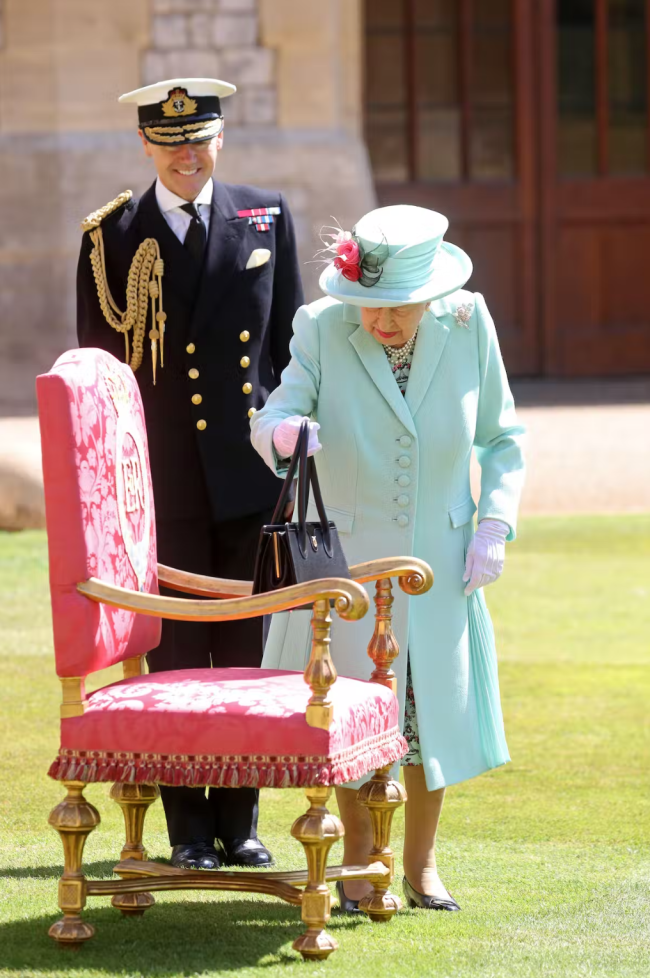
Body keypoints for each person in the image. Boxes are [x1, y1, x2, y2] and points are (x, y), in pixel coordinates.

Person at [250, 205, 525, 911]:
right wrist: (286, 438)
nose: (379, 322)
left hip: (440, 555)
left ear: (431, 294)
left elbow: (501, 438)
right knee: (346, 713)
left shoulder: (469, 324)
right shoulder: (319, 325)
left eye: (396, 309)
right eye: (368, 308)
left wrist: (493, 523)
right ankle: (356, 863)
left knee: (425, 716)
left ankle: (421, 868)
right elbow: (273, 414)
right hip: (344, 561)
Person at [77, 77, 304, 870]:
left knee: (245, 656)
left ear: (220, 141)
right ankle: (187, 832)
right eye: (169, 143)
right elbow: (102, 383)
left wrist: (299, 445)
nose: (185, 155)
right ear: (145, 145)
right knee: (175, 658)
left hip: (249, 481)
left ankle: (240, 824)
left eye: (198, 139)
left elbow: (289, 356)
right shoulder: (110, 238)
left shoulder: (265, 214)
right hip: (162, 487)